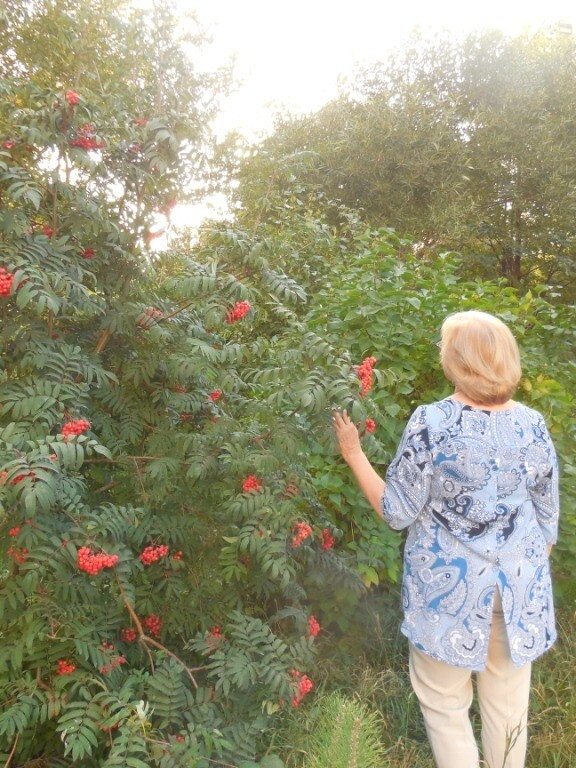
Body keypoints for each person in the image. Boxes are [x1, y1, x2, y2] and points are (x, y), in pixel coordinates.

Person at [332, 310, 559, 768]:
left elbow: (396, 510)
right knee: (509, 709)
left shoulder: (432, 423)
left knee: (444, 705)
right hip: (519, 590)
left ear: (457, 361)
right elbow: (547, 518)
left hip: (447, 593)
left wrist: (354, 454)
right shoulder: (533, 425)